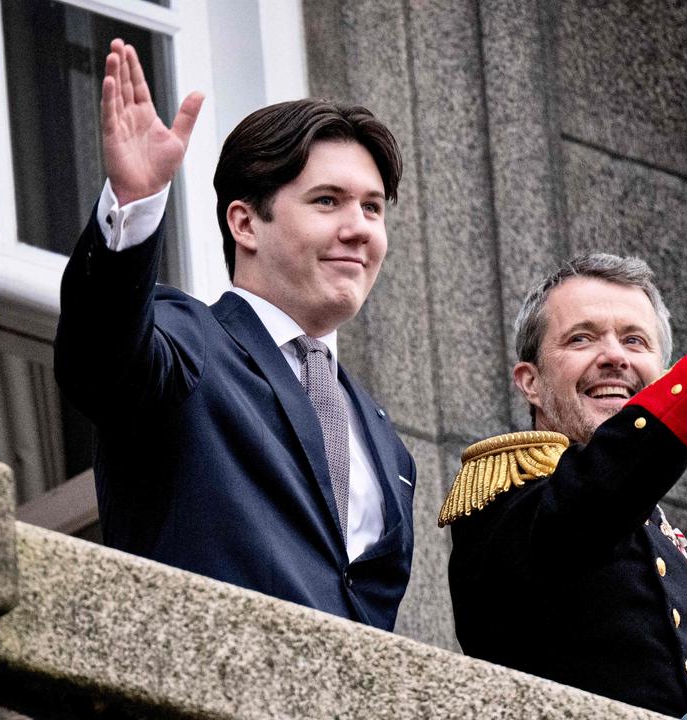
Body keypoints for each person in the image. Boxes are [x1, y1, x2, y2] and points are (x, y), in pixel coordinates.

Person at [54, 39, 417, 630]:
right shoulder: (188, 342)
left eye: (373, 208)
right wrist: (135, 203)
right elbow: (100, 359)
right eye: (328, 201)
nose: (359, 229)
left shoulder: (388, 444)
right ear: (245, 223)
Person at [442, 201, 687, 718]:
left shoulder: (658, 534)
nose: (615, 356)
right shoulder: (506, 500)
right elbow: (593, 501)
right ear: (531, 382)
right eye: (582, 337)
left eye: (635, 340)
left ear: (660, 374)